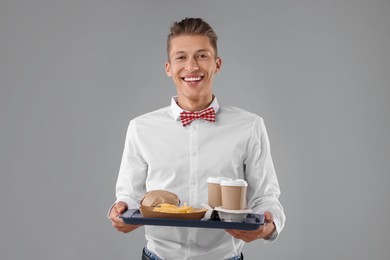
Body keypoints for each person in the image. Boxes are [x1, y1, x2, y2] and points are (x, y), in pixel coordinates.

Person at [109, 17, 286, 260]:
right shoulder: (141, 128)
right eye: (181, 57)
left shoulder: (250, 126)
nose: (191, 67)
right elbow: (129, 196)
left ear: (217, 64)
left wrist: (270, 225)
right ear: (169, 67)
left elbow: (266, 198)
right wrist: (121, 211)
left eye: (202, 56)